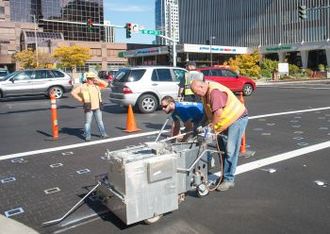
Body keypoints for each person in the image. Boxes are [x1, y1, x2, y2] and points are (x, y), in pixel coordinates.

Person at [191, 79, 248, 191]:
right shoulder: (204, 93)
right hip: (225, 122)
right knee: (222, 150)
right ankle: (223, 177)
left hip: (236, 118)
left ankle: (229, 180)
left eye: (197, 92)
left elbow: (218, 113)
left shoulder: (214, 92)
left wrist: (211, 128)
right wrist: (201, 124)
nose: (196, 95)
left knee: (230, 150)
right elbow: (208, 112)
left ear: (201, 87)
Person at [71, 71, 108, 141]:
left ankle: (103, 134)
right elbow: (73, 92)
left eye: (92, 78)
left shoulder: (97, 86)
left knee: (100, 121)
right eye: (89, 78)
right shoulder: (83, 86)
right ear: (87, 79)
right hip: (89, 107)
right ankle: (88, 136)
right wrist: (80, 99)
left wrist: (97, 79)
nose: (91, 80)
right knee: (88, 123)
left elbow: (106, 84)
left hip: (97, 107)